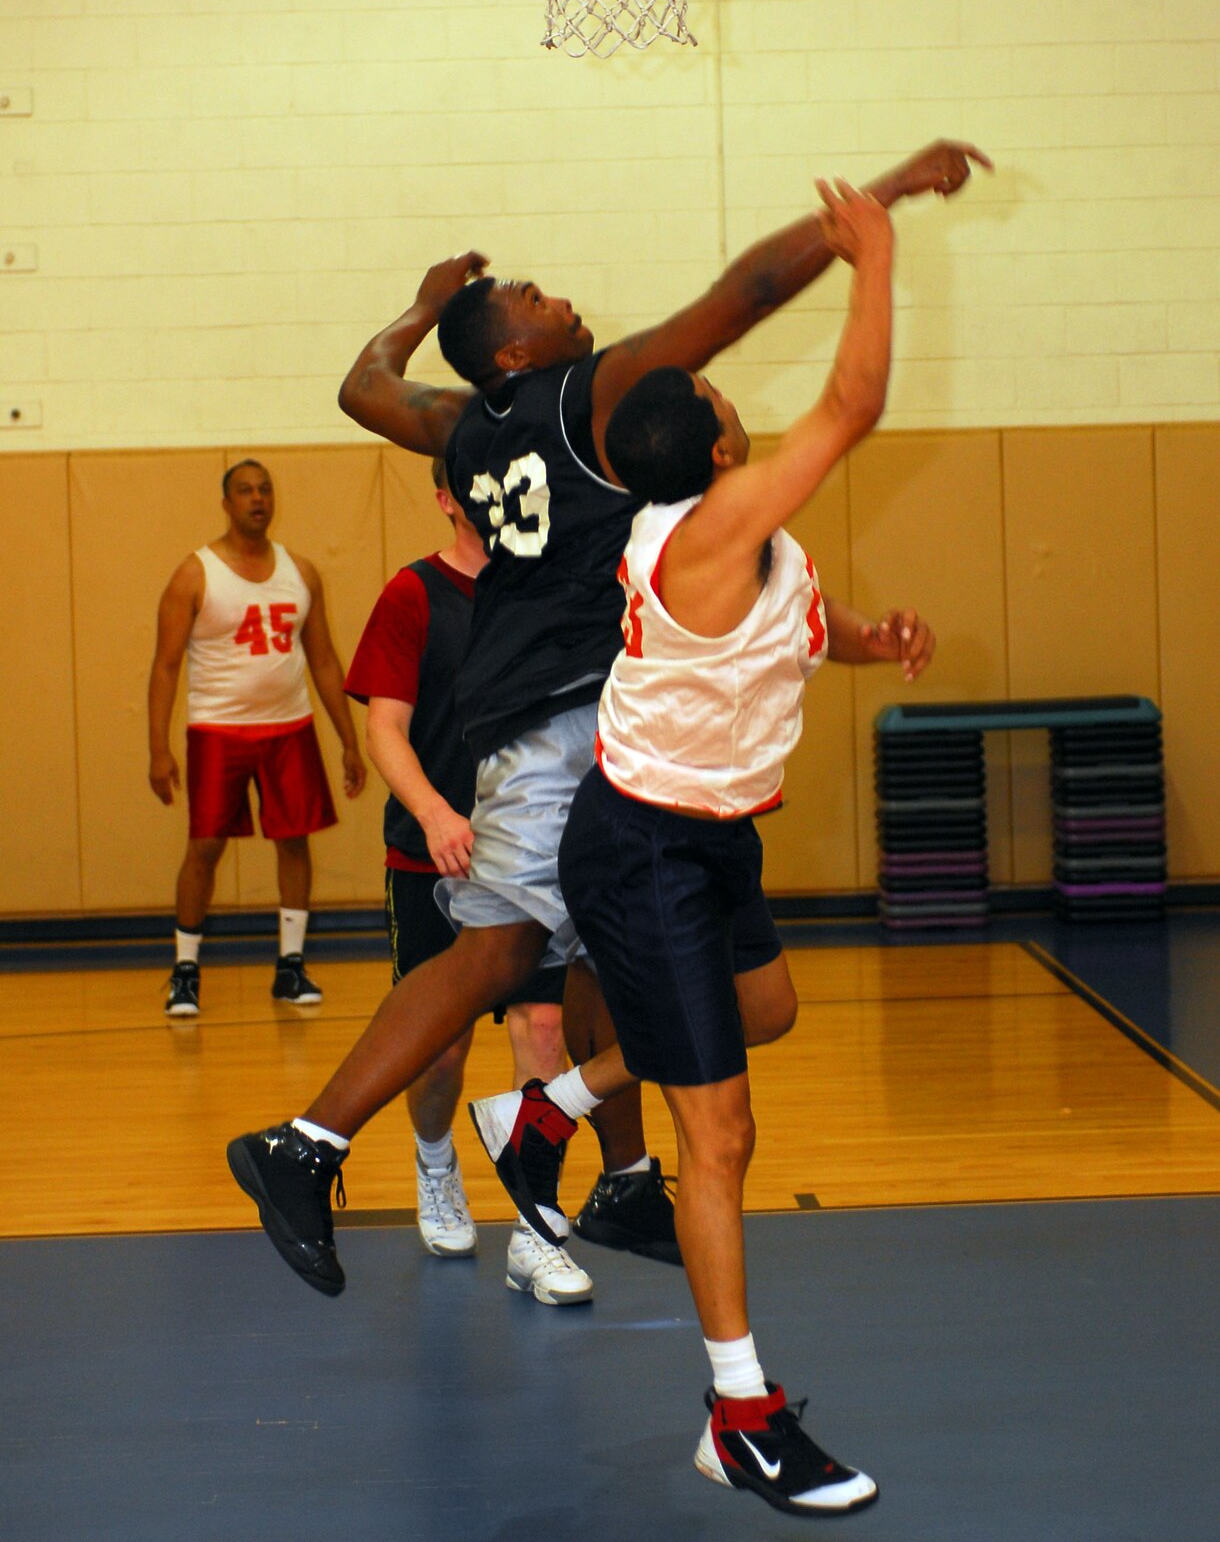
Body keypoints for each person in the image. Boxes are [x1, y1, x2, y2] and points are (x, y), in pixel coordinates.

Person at [226, 139, 985, 1296]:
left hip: (589, 719)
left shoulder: (464, 424)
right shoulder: (587, 397)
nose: (555, 291)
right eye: (531, 296)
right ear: (522, 349)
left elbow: (361, 385)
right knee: (497, 947)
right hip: (553, 717)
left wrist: (425, 306)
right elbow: (738, 298)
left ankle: (618, 1168)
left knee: (602, 942)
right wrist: (863, 212)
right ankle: (305, 1142)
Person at [469, 180, 934, 1516]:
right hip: (648, 852)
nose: (751, 412)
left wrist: (876, 640)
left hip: (706, 840)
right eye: (734, 410)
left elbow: (803, 620)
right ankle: (738, 1413)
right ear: (720, 452)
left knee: (766, 1012)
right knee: (716, 1132)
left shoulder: (750, 545)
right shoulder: (706, 532)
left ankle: (548, 1105)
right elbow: (854, 407)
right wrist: (876, 250)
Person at [344, 453, 593, 1304]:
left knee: (542, 1030)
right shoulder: (414, 595)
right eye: (474, 481)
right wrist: (436, 813)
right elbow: (386, 731)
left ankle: (536, 1226)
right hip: (435, 857)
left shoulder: (555, 590)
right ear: (450, 496)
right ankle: (435, 1158)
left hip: (535, 861)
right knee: (442, 1048)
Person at [149, 459, 366, 1016]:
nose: (257, 499)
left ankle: (290, 968)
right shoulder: (194, 574)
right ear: (226, 503)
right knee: (205, 846)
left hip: (288, 727)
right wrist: (158, 749)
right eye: (245, 491)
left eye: (265, 489)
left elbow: (322, 660)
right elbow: (166, 666)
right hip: (218, 730)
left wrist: (347, 738)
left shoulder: (301, 572)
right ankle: (185, 970)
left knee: (294, 841)